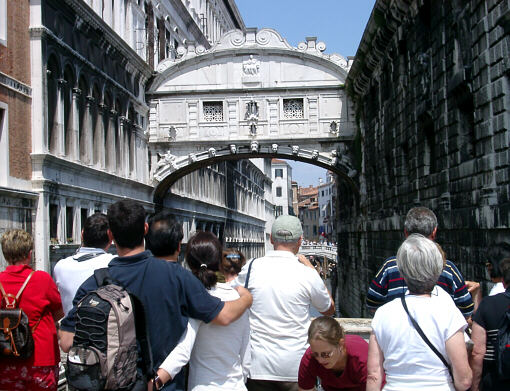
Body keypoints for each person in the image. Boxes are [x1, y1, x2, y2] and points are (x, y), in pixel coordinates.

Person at [58, 200, 252, 391]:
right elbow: (224, 315)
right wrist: (246, 299)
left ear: (111, 235)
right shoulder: (177, 277)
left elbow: (66, 342)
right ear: (144, 229)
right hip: (164, 384)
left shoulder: (94, 283)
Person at [235, 215, 335, 391]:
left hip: (258, 366)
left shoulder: (251, 267)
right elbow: (328, 309)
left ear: (271, 239)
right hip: (296, 367)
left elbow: (233, 295)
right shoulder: (307, 274)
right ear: (300, 241)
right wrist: (312, 268)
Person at [367, 234, 472, 391]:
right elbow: (463, 380)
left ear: (402, 272)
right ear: (437, 270)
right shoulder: (448, 312)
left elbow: (374, 375)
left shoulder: (383, 314)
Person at [153, 232, 250, 390]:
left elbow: (183, 350)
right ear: (219, 261)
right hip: (236, 385)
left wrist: (157, 381)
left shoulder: (196, 299)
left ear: (189, 262)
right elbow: (246, 356)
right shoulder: (239, 301)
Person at [366, 206, 475, 318]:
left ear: (406, 233)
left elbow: (372, 304)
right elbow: (466, 311)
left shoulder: (390, 266)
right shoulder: (448, 268)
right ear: (434, 232)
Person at [0, 229, 64, 391]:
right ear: (29, 254)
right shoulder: (41, 279)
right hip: (40, 356)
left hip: (6, 355)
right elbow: (59, 310)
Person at [53, 212, 115, 315]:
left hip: (70, 328)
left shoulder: (60, 266)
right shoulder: (114, 264)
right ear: (110, 237)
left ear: (82, 234)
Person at [470, 257, 510, 391]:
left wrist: (475, 387)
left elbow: (477, 352)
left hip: (496, 381)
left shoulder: (488, 304)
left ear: (503, 282)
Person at [298, 316, 368, 391]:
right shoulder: (310, 357)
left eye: (325, 354)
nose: (320, 360)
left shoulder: (361, 359)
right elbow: (305, 389)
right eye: (315, 354)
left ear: (340, 344)